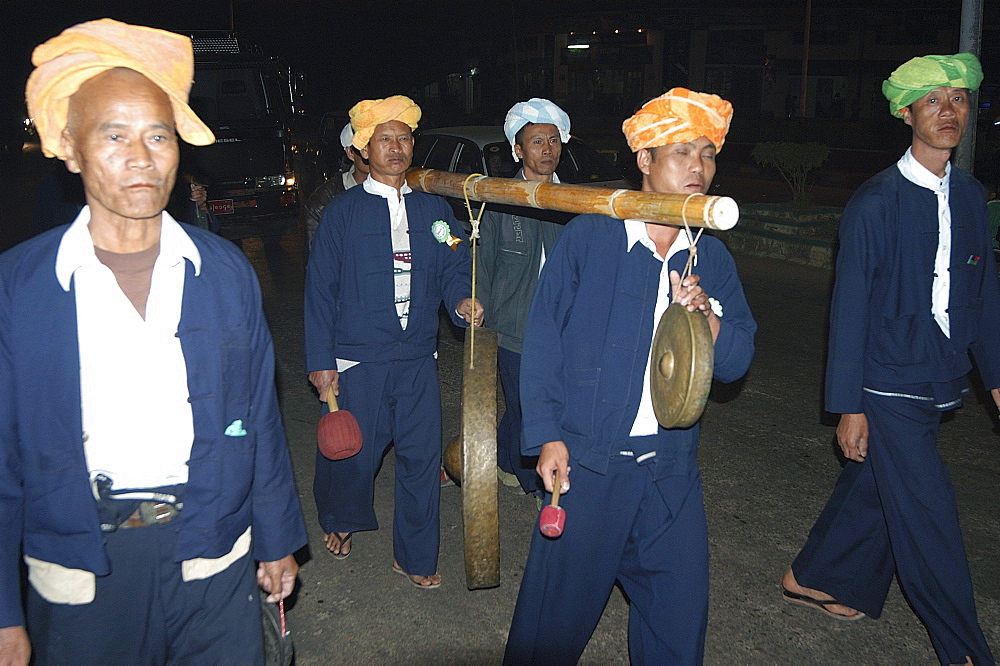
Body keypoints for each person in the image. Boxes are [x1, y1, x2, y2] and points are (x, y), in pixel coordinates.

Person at [0, 19, 307, 664]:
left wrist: (277, 537)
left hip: (212, 553)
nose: (141, 157)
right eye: (114, 135)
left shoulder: (224, 273)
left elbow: (257, 418)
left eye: (158, 135)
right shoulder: (22, 288)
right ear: (71, 148)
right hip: (83, 569)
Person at [504, 88, 757, 664]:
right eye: (681, 152)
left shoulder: (711, 258)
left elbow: (739, 361)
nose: (699, 167)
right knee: (550, 628)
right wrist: (547, 434)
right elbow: (542, 342)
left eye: (708, 154)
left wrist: (708, 319)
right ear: (645, 160)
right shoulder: (590, 238)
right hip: (587, 469)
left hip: (669, 476)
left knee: (677, 624)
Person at [780, 53, 999, 666]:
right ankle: (965, 649)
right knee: (929, 516)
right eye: (932, 100)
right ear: (906, 113)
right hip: (887, 381)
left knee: (881, 485)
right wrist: (849, 406)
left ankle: (817, 574)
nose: (948, 110)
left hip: (940, 374)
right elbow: (847, 312)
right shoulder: (874, 203)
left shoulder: (974, 196)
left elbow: (983, 295)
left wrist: (997, 378)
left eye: (958, 99)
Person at [305, 95, 483, 588]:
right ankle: (340, 517)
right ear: (365, 148)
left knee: (422, 458)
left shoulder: (434, 209)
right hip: (358, 358)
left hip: (416, 356)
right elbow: (320, 289)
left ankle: (415, 555)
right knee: (352, 453)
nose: (396, 147)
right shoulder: (342, 213)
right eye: (385, 139)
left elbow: (452, 262)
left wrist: (460, 301)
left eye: (404, 138)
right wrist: (321, 361)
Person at [476, 98, 573, 496]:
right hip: (514, 327)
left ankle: (506, 460)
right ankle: (534, 482)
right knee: (524, 406)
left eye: (553, 140)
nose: (546, 149)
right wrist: (477, 302)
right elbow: (482, 260)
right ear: (518, 149)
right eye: (536, 141)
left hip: (563, 329)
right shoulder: (499, 198)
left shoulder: (576, 203)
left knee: (549, 405)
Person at [303, 122, 370, 249]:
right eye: (364, 148)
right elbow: (317, 259)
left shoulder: (404, 189)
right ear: (350, 153)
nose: (373, 154)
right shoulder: (325, 201)